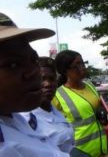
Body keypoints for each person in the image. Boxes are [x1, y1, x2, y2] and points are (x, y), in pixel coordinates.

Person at [0, 12, 69, 156]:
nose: (34, 72)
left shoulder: (12, 117)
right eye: (13, 64)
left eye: (34, 59)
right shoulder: (6, 149)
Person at [52, 50, 108, 157]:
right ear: (65, 70)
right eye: (76, 65)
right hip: (78, 152)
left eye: (82, 63)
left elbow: (94, 112)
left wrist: (104, 116)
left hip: (100, 149)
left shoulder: (90, 85)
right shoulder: (57, 95)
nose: (82, 67)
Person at [20, 57, 75, 153]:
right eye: (41, 79)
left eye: (52, 79)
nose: (48, 84)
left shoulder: (55, 112)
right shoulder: (25, 120)